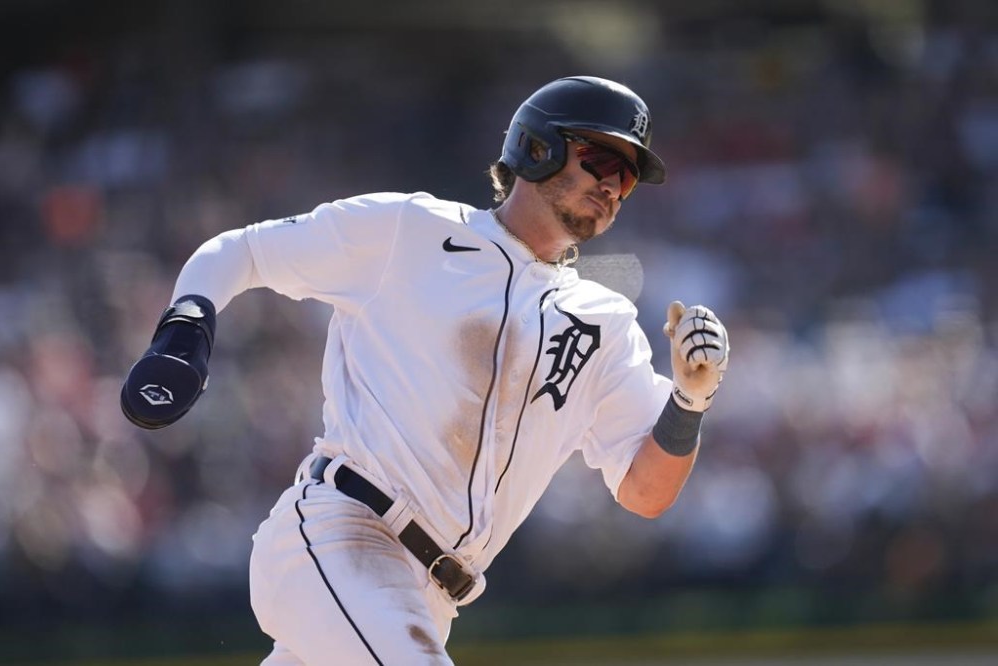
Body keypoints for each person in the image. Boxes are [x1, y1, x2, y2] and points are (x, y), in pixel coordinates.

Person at [120, 75, 730, 665]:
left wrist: (691, 399)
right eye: (601, 160)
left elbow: (645, 491)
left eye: (628, 176)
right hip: (345, 535)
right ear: (538, 148)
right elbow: (241, 251)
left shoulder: (607, 320)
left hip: (432, 598)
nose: (615, 186)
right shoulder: (411, 229)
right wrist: (185, 332)